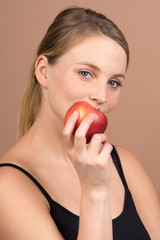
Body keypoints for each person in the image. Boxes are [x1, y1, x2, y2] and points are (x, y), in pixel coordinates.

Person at [0, 6, 159, 240]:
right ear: (43, 72)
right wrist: (94, 192)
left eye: (113, 82)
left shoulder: (124, 163)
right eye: (86, 73)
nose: (102, 96)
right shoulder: (8, 188)